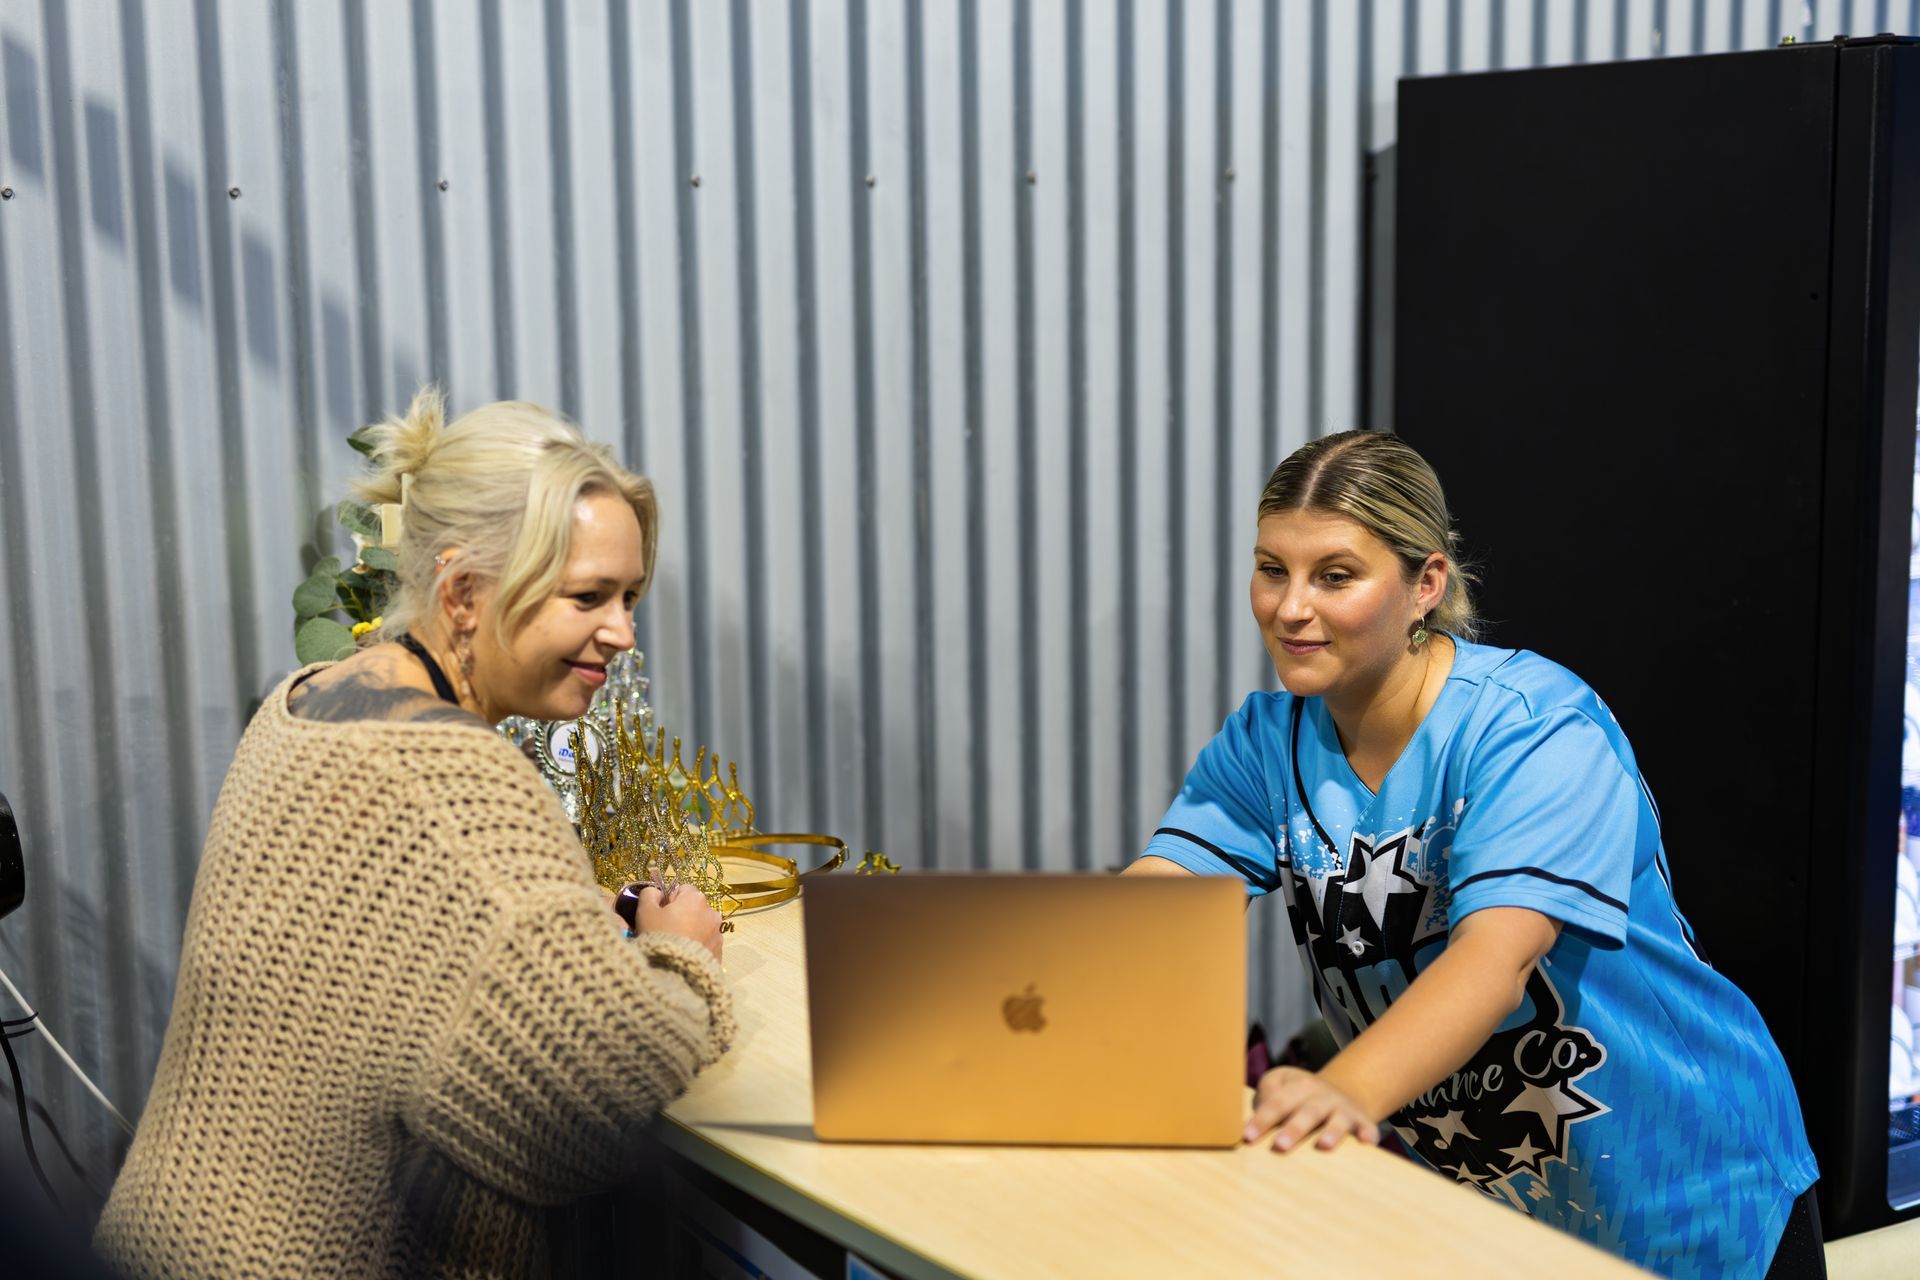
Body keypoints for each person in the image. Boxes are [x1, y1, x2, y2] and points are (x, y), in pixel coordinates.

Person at [1126, 430, 1821, 1278]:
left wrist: (1340, 1091)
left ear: (1426, 585)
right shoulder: (1265, 744)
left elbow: (1494, 959)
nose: (1290, 607)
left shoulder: (1531, 727)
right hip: (1489, 1209)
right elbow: (1148, 914)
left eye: (1335, 576)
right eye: (1272, 569)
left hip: (1687, 1185)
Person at [95, 390, 732, 1278]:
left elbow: (404, 973)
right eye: (589, 595)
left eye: (630, 595)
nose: (623, 631)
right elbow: (599, 1107)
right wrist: (680, 957)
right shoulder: (458, 784)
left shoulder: (306, 701)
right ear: (464, 593)